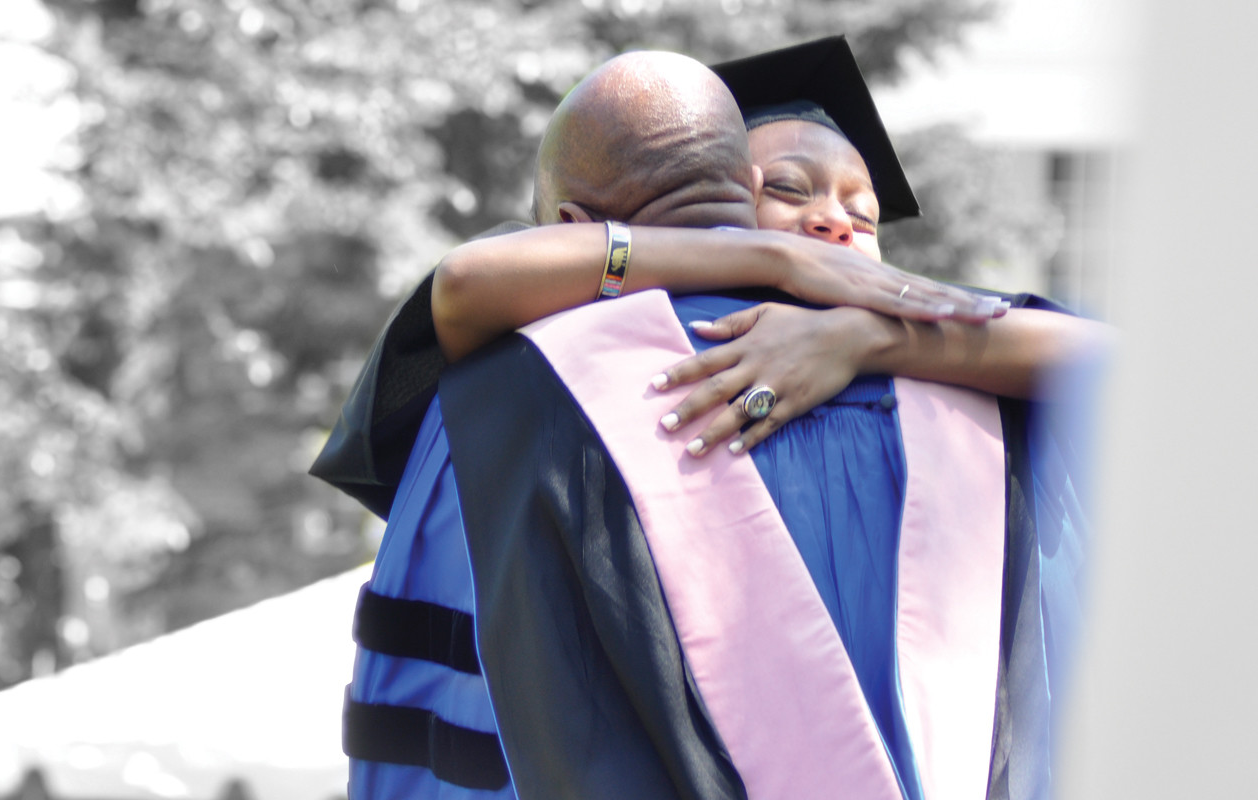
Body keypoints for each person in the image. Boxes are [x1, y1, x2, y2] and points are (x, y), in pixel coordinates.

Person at [329, 38, 1095, 800]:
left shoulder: (503, 390)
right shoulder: (988, 412)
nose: (832, 225)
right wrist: (773, 264)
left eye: (862, 215)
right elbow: (469, 279)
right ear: (744, 185)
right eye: (792, 193)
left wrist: (863, 334)